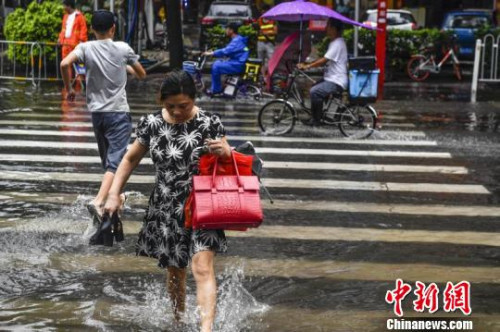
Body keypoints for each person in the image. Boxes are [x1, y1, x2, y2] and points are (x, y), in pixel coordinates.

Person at [103, 70, 231, 332]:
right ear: (162, 100)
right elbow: (129, 159)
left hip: (204, 203)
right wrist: (114, 194)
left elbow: (229, 161)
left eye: (183, 106)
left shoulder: (209, 123)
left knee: (202, 266)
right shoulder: (151, 124)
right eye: (169, 105)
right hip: (167, 207)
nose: (176, 111)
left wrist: (227, 151)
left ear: (194, 99)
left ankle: (206, 329)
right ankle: (178, 320)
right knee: (175, 272)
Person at [60, 10, 146, 219]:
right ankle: (98, 201)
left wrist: (69, 89)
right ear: (113, 28)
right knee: (116, 161)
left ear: (91, 29)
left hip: (97, 114)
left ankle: (118, 196)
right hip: (117, 112)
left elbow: (64, 64)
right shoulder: (122, 48)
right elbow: (142, 74)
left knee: (109, 161)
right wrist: (130, 69)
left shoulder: (85, 48)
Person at [298, 18, 348, 126]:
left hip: (336, 81)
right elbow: (325, 59)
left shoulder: (338, 43)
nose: (326, 29)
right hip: (332, 78)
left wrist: (307, 66)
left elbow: (324, 60)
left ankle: (317, 120)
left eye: (328, 26)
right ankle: (317, 115)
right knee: (315, 87)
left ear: (334, 29)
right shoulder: (335, 42)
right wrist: (307, 64)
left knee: (315, 92)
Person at [202, 22, 249, 96]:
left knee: (216, 67)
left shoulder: (237, 41)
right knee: (218, 62)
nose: (225, 30)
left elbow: (226, 51)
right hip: (235, 62)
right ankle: (221, 87)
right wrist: (214, 52)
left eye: (227, 29)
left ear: (231, 30)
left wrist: (212, 53)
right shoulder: (237, 39)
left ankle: (216, 90)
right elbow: (228, 51)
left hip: (237, 65)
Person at [257, 5, 278, 78]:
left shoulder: (273, 20)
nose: (264, 13)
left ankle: (270, 76)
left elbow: (275, 32)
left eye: (265, 11)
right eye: (262, 11)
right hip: (260, 42)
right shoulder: (259, 20)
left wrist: (266, 33)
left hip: (269, 43)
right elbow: (257, 30)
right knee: (260, 61)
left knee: (271, 60)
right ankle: (263, 77)